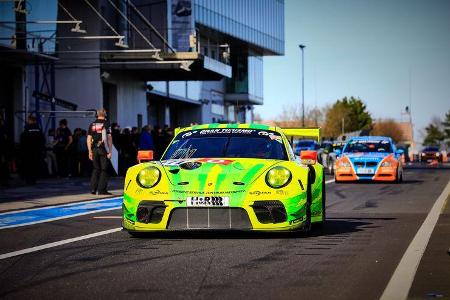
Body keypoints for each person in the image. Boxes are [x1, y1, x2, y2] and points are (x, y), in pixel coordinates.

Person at [87, 108, 112, 195]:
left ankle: (93, 189)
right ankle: (101, 190)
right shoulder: (107, 124)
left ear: (97, 114)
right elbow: (108, 138)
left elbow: (89, 138)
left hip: (94, 149)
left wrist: (89, 151)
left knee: (96, 169)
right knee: (104, 169)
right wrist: (110, 151)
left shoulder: (92, 124)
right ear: (105, 114)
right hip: (103, 149)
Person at [20, 115, 45, 184]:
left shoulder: (27, 128)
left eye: (28, 120)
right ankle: (34, 179)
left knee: (28, 166)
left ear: (30, 120)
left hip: (28, 151)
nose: (27, 121)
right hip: (37, 151)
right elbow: (42, 140)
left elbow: (23, 139)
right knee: (35, 165)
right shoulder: (39, 129)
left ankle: (28, 179)